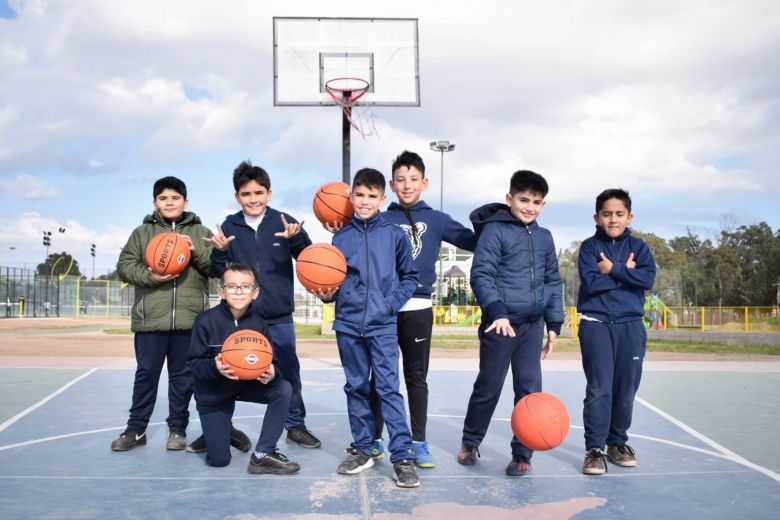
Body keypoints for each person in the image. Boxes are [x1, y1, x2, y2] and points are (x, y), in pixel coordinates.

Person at [112, 176, 250, 453]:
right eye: (163, 198)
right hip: (151, 319)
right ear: (155, 203)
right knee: (146, 375)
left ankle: (177, 428)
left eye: (175, 198)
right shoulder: (142, 233)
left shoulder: (200, 232)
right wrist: (152, 276)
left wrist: (194, 250)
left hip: (189, 321)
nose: (169, 202)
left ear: (185, 202)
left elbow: (216, 268)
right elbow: (125, 267)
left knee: (182, 379)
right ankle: (136, 429)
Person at [202, 160, 321, 451]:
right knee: (231, 368)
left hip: (279, 316)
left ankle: (296, 425)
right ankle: (221, 426)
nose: (252, 199)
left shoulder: (283, 220)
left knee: (288, 371)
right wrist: (219, 252)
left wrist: (297, 239)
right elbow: (219, 270)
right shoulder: (230, 226)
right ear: (237, 197)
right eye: (246, 194)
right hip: (242, 316)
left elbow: (309, 259)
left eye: (258, 193)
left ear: (269, 193)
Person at [367, 150, 476, 468]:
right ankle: (374, 439)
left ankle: (418, 442)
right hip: (385, 308)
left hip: (418, 306)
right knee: (380, 378)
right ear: (391, 184)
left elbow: (473, 240)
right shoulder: (380, 218)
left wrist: (495, 220)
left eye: (413, 179)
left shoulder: (438, 219)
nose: (407, 185)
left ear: (424, 182)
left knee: (416, 378)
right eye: (400, 179)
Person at [316, 168, 421, 488]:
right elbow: (333, 281)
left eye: (371, 196)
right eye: (359, 195)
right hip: (347, 325)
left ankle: (401, 455)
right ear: (351, 197)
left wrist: (390, 305)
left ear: (382, 199)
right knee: (357, 387)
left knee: (388, 389)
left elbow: (410, 278)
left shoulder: (394, 235)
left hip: (383, 325)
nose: (364, 201)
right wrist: (329, 295)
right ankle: (363, 448)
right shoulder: (340, 237)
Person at [458, 170, 563, 477]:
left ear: (543, 204)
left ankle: (523, 452)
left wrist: (554, 324)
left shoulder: (545, 237)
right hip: (499, 324)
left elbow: (553, 281)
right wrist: (498, 311)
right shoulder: (495, 231)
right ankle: (471, 441)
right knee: (489, 387)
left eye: (537, 202)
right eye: (524, 200)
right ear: (510, 199)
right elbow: (481, 274)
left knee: (529, 391)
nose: (530, 207)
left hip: (532, 325)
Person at [187, 263, 300, 474]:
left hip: (246, 385)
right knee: (219, 461)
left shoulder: (259, 324)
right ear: (221, 291)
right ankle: (223, 431)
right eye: (231, 286)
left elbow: (271, 362)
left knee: (283, 388)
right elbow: (193, 364)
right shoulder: (205, 321)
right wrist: (215, 367)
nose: (238, 292)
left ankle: (263, 454)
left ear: (255, 292)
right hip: (214, 394)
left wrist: (273, 374)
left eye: (245, 286)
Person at [577, 189, 656, 475]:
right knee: (599, 389)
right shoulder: (588, 247)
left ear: (629, 216)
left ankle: (617, 443)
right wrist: (626, 273)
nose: (613, 219)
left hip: (630, 326)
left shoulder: (641, 247)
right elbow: (590, 284)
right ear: (597, 217)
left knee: (625, 389)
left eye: (619, 214)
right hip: (595, 324)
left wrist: (613, 269)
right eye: (607, 214)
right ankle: (595, 449)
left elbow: (647, 279)